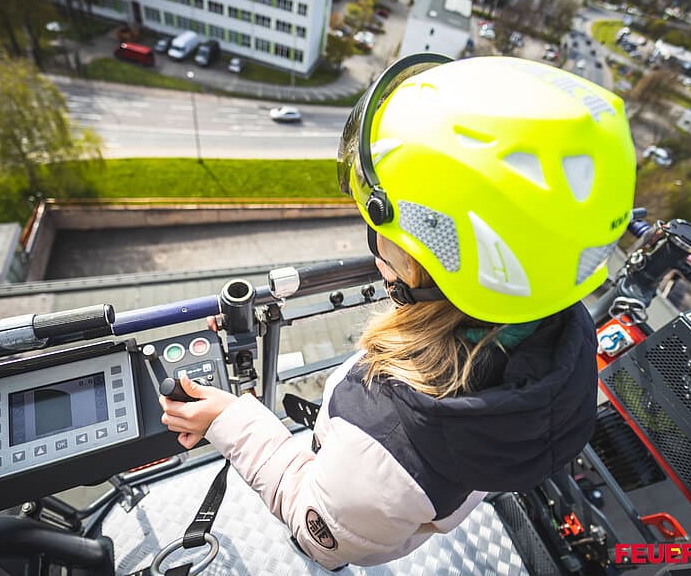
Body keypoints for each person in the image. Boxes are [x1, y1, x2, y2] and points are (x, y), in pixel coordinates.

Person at [159, 53, 637, 571]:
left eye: (381, 233)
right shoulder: (559, 326)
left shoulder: (385, 442)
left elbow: (319, 531)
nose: (375, 248)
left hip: (357, 499)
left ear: (429, 261)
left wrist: (232, 421)